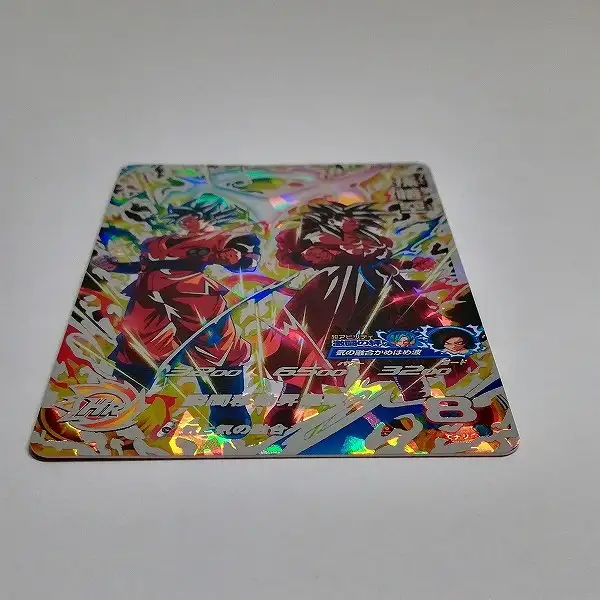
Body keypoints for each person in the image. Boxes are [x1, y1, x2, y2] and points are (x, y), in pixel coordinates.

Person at [262, 199, 442, 427]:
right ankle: (285, 412)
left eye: (352, 220)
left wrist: (411, 264)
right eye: (343, 220)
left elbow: (385, 262)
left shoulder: (370, 243)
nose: (350, 224)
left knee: (398, 346)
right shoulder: (321, 238)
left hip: (380, 297)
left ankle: (421, 403)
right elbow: (297, 255)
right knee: (311, 349)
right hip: (335, 297)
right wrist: (313, 254)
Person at [92, 197, 261, 435]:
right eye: (181, 218)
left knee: (215, 348)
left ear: (205, 216)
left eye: (189, 217)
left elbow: (248, 258)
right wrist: (117, 267)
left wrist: (238, 257)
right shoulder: (162, 241)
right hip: (147, 296)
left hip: (192, 293)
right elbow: (146, 265)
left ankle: (230, 416)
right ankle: (117, 406)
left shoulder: (220, 237)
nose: (183, 222)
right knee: (138, 346)